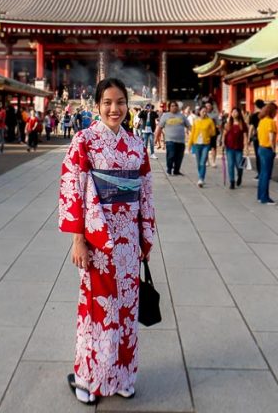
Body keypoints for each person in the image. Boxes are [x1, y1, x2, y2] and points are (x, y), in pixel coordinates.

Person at [58, 77, 156, 405]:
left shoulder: (136, 145)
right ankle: (90, 378)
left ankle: (124, 376)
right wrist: (78, 240)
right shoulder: (84, 141)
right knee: (96, 312)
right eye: (108, 103)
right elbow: (73, 186)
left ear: (128, 106)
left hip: (127, 241)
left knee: (127, 311)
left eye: (120, 102)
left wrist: (145, 236)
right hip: (98, 241)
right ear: (97, 106)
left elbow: (145, 193)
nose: (115, 109)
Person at [156, 101, 190, 176]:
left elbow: (189, 126)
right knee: (171, 155)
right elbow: (159, 128)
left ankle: (176, 171)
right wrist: (156, 138)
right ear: (169, 107)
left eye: (176, 106)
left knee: (179, 157)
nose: (174, 107)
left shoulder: (182, 116)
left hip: (181, 141)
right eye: (172, 106)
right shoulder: (165, 116)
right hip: (170, 141)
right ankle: (169, 169)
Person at [189, 106, 217, 188]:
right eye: (202, 111)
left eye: (205, 111)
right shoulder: (195, 121)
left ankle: (201, 178)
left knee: (202, 162)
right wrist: (190, 144)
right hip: (196, 144)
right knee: (198, 163)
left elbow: (213, 133)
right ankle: (201, 176)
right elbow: (192, 133)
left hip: (206, 144)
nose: (204, 113)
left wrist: (210, 130)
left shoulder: (209, 121)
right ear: (199, 112)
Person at [256, 102, 278, 204]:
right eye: (276, 111)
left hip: (260, 148)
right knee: (266, 174)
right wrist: (274, 150)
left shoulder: (262, 121)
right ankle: (265, 197)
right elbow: (271, 137)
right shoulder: (271, 122)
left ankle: (260, 195)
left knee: (262, 174)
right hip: (267, 149)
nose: (277, 113)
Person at [224, 107, 248, 189]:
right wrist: (223, 144)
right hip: (229, 148)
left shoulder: (243, 124)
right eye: (233, 112)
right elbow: (224, 134)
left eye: (236, 112)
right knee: (230, 165)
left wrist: (246, 147)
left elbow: (245, 136)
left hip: (239, 148)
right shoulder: (228, 124)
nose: (234, 113)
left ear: (239, 113)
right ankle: (232, 182)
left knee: (239, 166)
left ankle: (240, 176)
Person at [248, 99, 265, 177]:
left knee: (258, 156)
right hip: (265, 137)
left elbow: (251, 128)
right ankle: (265, 172)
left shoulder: (253, 116)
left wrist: (248, 138)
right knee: (264, 155)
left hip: (257, 137)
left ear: (255, 106)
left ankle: (260, 173)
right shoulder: (265, 115)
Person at [205, 101, 220, 168]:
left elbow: (218, 123)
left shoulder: (215, 115)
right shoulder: (203, 114)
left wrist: (217, 126)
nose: (208, 107)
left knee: (213, 147)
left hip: (213, 133)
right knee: (206, 148)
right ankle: (207, 161)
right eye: (206, 106)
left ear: (211, 107)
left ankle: (213, 161)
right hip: (205, 133)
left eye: (209, 106)